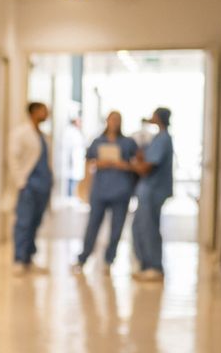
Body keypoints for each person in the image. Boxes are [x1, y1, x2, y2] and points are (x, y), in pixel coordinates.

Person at [74, 110, 139, 272]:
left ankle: (109, 261)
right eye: (112, 119)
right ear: (107, 121)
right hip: (100, 190)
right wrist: (96, 166)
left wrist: (125, 165)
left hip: (121, 190)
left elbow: (138, 163)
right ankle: (83, 258)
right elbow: (89, 162)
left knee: (116, 228)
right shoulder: (97, 142)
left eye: (118, 119)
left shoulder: (128, 143)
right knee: (92, 225)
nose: (115, 122)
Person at [128, 107, 175, 282]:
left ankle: (154, 266)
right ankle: (145, 263)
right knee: (140, 227)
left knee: (149, 229)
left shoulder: (163, 139)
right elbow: (146, 158)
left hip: (153, 190)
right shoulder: (158, 138)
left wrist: (128, 165)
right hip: (148, 191)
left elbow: (147, 167)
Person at [7, 101, 53, 273]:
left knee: (35, 222)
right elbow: (13, 158)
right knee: (24, 222)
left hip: (43, 185)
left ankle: (28, 257)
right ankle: (19, 258)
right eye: (44, 111)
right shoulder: (21, 133)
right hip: (28, 185)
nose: (46, 114)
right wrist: (21, 182)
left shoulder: (44, 135)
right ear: (33, 112)